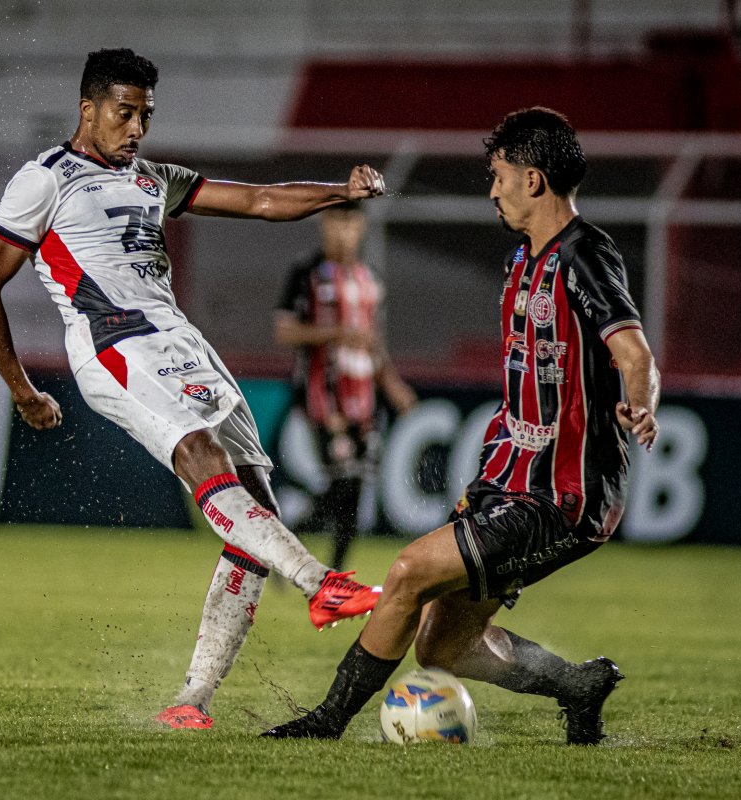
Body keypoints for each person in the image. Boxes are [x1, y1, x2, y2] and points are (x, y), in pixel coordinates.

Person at [0, 48, 386, 731]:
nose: (136, 129)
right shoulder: (45, 180)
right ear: (88, 108)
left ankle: (193, 700)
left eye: (146, 116)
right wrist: (20, 387)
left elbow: (260, 200)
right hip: (113, 343)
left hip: (183, 342)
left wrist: (341, 192)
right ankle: (319, 584)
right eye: (125, 113)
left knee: (258, 504)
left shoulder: (156, 177)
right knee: (197, 453)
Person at [262, 107, 660, 745]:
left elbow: (635, 356)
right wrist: (484, 481)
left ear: (534, 180)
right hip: (508, 481)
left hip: (563, 496)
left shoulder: (586, 254)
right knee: (443, 647)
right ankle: (576, 686)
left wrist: (640, 405)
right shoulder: (520, 263)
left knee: (407, 572)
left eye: (498, 174)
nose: (492, 188)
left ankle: (325, 724)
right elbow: (529, 381)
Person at [274, 201, 417, 569]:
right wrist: (335, 332)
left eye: (351, 222)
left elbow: (372, 342)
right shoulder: (305, 273)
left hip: (365, 398)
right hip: (323, 395)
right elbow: (284, 330)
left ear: (361, 227)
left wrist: (394, 384)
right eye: (336, 221)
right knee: (344, 480)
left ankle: (331, 570)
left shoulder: (370, 277)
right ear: (324, 224)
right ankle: (294, 543)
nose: (343, 230)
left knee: (353, 492)